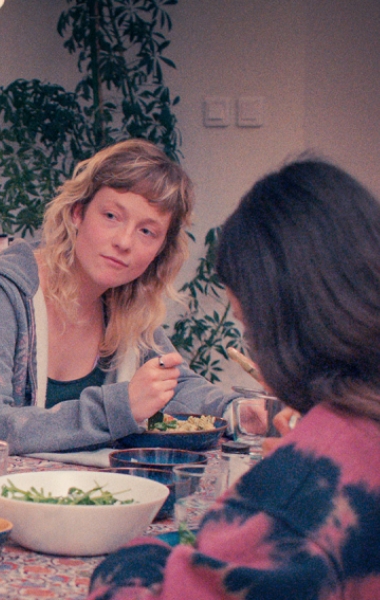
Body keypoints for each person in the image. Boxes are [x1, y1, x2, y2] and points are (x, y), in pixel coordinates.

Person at [88, 159, 380, 599]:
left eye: (247, 327)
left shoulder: (303, 496)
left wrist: (141, 552)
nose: (124, 241)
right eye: (111, 216)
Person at [0, 139, 235, 454]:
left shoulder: (122, 303)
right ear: (77, 213)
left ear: (160, 251)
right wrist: (118, 407)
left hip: (77, 487)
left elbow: (175, 386)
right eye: (111, 216)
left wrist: (239, 410)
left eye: (147, 231)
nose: (124, 242)